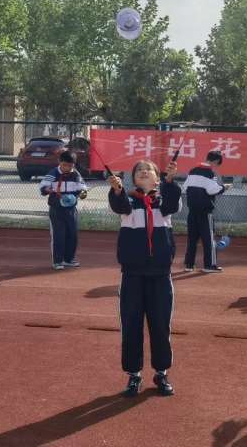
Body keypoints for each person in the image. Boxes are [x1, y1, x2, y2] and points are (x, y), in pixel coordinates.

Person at [108, 159, 181, 397]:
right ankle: (134, 375)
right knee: (131, 325)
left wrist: (171, 182)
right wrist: (116, 190)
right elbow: (119, 206)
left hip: (160, 274)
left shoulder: (165, 200)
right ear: (133, 179)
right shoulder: (128, 201)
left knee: (160, 325)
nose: (143, 172)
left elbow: (173, 203)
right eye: (139, 171)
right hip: (132, 274)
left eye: (148, 170)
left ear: (157, 178)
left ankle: (161, 372)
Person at [40, 150, 87, 270]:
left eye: (70, 166)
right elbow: (43, 186)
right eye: (65, 165)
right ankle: (57, 261)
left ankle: (69, 259)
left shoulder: (75, 174)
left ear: (74, 165)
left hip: (71, 209)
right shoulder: (53, 173)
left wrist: (82, 193)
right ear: (59, 162)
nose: (67, 168)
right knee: (58, 235)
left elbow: (82, 188)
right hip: (57, 209)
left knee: (72, 234)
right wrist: (47, 189)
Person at [183, 150, 229, 273]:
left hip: (192, 210)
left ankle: (189, 264)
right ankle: (209, 265)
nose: (216, 167)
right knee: (208, 238)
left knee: (192, 238)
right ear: (216, 161)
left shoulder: (192, 171)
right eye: (217, 164)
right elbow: (212, 190)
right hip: (205, 211)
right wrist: (224, 188)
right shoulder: (210, 173)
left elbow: (185, 187)